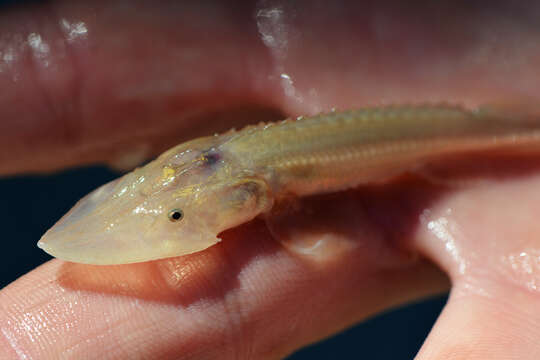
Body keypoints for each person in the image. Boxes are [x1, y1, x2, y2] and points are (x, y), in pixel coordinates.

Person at [1, 1, 539, 359]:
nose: (169, 212)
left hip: (450, 132)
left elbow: (309, 227)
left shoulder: (260, 183)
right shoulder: (214, 163)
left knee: (494, 133)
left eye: (176, 216)